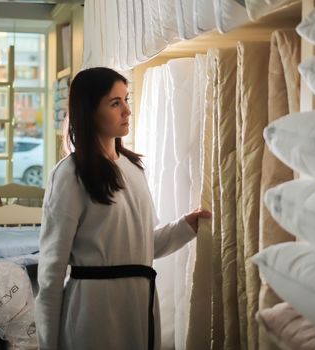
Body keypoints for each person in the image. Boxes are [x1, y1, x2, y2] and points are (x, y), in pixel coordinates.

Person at [35, 67, 211, 350]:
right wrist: (48, 345)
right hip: (93, 312)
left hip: (138, 304)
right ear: (89, 111)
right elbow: (51, 273)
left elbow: (144, 245)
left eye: (127, 99)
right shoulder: (69, 175)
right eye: (115, 103)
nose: (127, 110)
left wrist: (186, 226)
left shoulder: (134, 168)